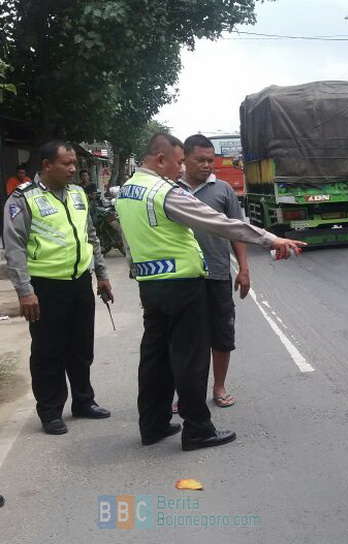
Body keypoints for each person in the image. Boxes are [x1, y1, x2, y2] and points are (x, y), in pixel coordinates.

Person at [115, 133, 305, 451]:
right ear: (160, 160)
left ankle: (153, 424)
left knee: (155, 359)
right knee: (191, 361)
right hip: (182, 286)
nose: (180, 171)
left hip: (151, 286)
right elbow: (219, 223)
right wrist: (271, 239)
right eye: (177, 163)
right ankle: (198, 430)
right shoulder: (165, 192)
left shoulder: (128, 191)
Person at [3, 141, 113, 435]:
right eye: (66, 163)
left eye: (74, 163)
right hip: (45, 288)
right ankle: (50, 411)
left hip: (79, 284)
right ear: (46, 165)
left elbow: (91, 236)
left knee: (81, 347)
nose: (73, 169)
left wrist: (101, 275)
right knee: (48, 352)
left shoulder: (78, 194)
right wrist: (25, 291)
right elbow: (13, 249)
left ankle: (83, 401)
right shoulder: (22, 199)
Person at [179, 134, 245, 408]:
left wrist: (244, 269)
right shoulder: (171, 189)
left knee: (221, 334)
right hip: (181, 277)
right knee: (185, 339)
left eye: (211, 160)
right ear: (184, 159)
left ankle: (218, 387)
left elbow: (237, 231)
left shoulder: (223, 190)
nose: (207, 165)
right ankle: (186, 392)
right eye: (201, 160)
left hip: (217, 274)